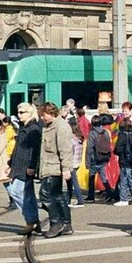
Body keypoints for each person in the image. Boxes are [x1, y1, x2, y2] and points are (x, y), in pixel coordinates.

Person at [38, 102, 74, 238]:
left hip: (54, 167)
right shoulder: (48, 126)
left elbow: (65, 149)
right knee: (57, 196)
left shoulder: (61, 126)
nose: (42, 118)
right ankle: (66, 224)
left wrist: (66, 168)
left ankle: (56, 223)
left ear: (51, 113)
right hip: (48, 166)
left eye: (44, 115)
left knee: (46, 195)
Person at [9, 103, 43, 235]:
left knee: (16, 192)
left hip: (25, 167)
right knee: (28, 195)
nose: (19, 115)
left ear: (30, 113)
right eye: (18, 112)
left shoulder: (33, 129)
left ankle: (31, 220)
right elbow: (18, 148)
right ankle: (34, 222)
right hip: (19, 165)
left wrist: (32, 166)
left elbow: (35, 150)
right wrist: (10, 164)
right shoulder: (24, 127)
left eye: (22, 112)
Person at [114, 103, 132, 207]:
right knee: (130, 177)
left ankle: (124, 198)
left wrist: (117, 152)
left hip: (125, 156)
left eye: (125, 110)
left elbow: (119, 147)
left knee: (125, 177)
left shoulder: (123, 134)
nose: (124, 112)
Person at [86, 114, 114, 202]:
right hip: (104, 158)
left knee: (91, 177)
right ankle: (110, 193)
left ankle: (91, 196)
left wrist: (87, 162)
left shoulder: (92, 133)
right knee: (103, 178)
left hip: (94, 159)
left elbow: (89, 149)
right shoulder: (105, 132)